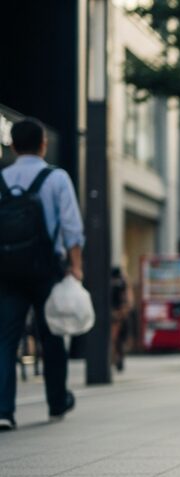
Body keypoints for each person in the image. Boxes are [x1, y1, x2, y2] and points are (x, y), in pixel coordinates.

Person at [0, 118, 84, 431]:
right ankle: (57, 400)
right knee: (52, 336)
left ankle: (4, 410)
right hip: (47, 268)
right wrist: (76, 266)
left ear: (12, 146)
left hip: (7, 272)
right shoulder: (56, 178)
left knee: (5, 340)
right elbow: (72, 227)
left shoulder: (2, 178)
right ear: (43, 144)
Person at [110, 267, 133, 371]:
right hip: (120, 311)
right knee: (118, 338)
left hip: (116, 311)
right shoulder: (123, 283)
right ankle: (116, 358)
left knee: (115, 338)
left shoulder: (112, 283)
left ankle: (115, 358)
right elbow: (129, 300)